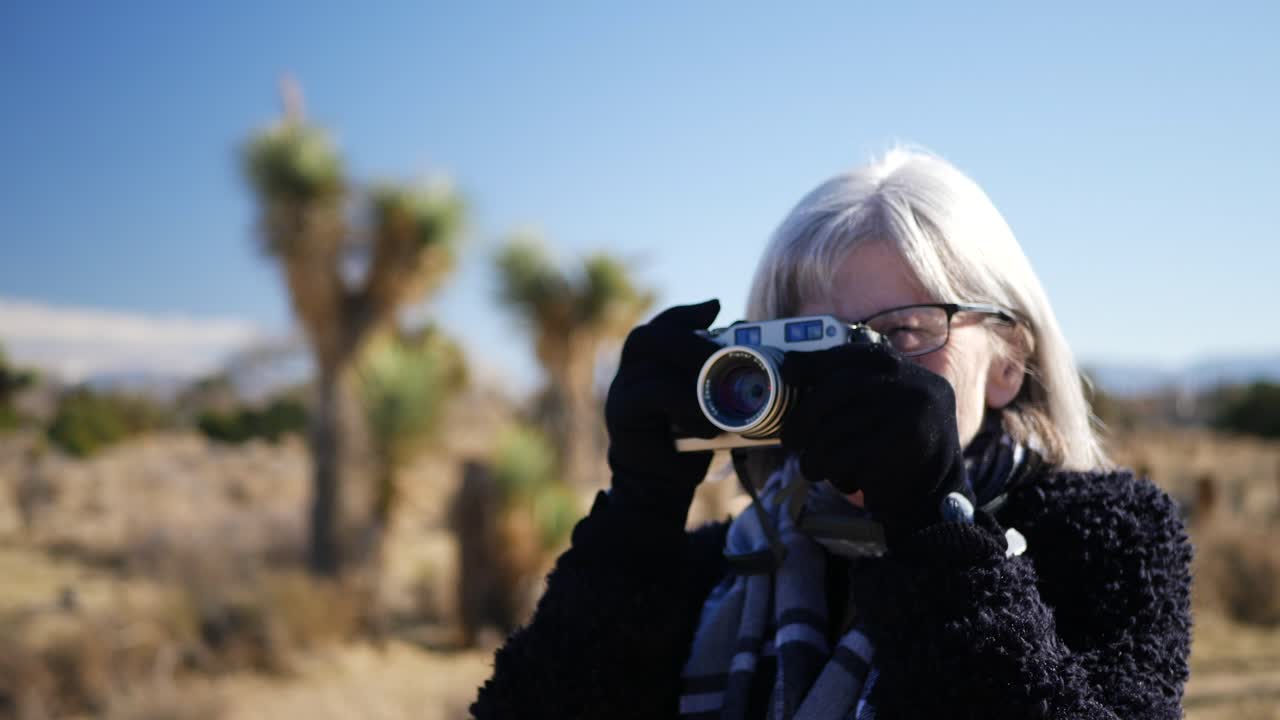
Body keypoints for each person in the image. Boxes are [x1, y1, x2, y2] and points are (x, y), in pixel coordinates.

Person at [471, 150, 1192, 719]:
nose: (859, 376)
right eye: (814, 346)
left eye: (902, 332)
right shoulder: (721, 565)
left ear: (1007, 362)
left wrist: (935, 531)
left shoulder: (1107, 533)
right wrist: (638, 518)